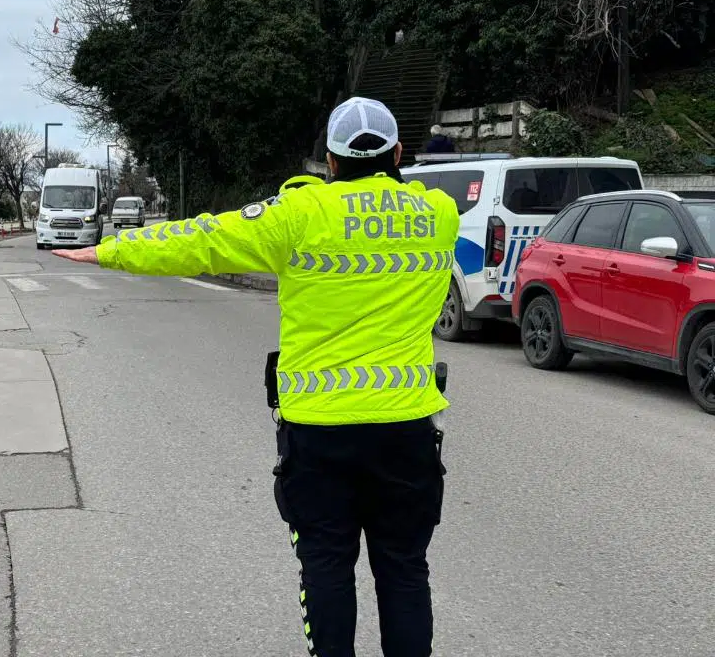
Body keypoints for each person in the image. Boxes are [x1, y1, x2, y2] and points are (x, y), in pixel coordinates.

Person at [53, 97, 460, 657]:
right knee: (405, 570)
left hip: (320, 433)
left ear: (331, 161)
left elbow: (204, 240)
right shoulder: (438, 214)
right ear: (397, 153)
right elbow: (412, 194)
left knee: (325, 566)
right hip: (408, 431)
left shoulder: (300, 214)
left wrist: (113, 249)